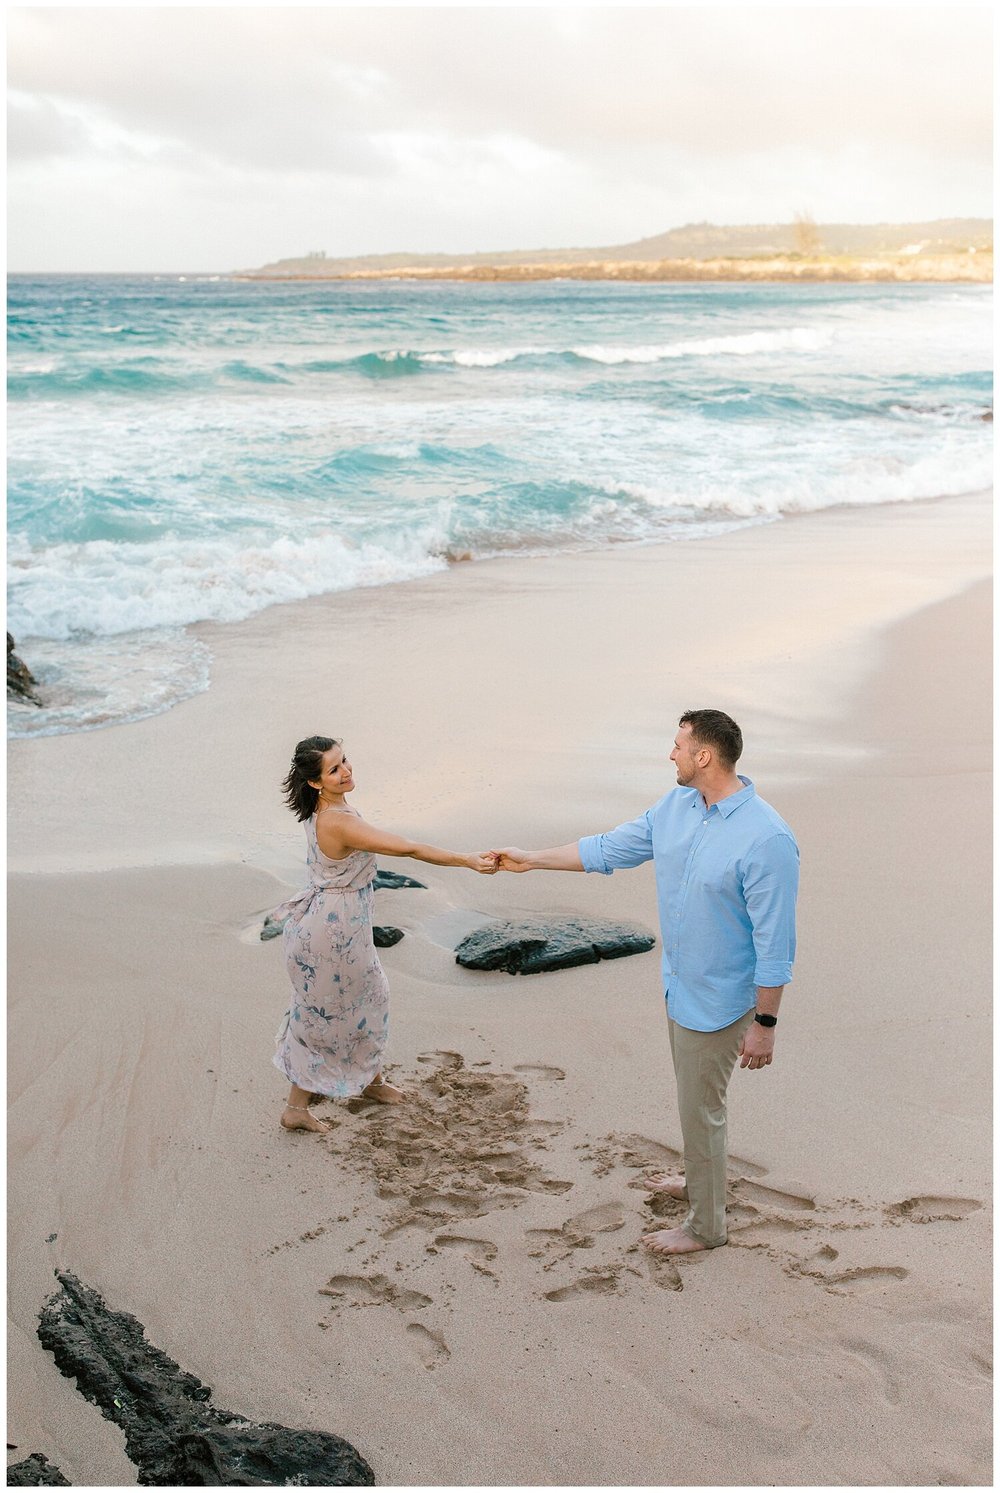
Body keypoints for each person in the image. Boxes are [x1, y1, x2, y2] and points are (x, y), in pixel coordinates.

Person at [494, 709, 799, 1255]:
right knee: (694, 1100)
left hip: (722, 1000)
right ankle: (697, 1178)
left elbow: (775, 945)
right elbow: (609, 849)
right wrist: (531, 860)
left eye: (678, 745)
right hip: (678, 986)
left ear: (704, 756)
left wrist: (766, 1024)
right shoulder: (678, 807)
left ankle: (706, 1226)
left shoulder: (767, 839)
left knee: (701, 1110)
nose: (671, 754)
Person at [273, 735, 498, 1132]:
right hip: (333, 933)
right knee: (323, 1017)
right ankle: (296, 1109)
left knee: (368, 999)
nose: (346, 772)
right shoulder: (338, 822)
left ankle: (370, 1082)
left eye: (345, 761)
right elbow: (408, 849)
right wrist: (466, 860)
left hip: (336, 925)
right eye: (334, 769)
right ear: (315, 782)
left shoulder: (327, 808)